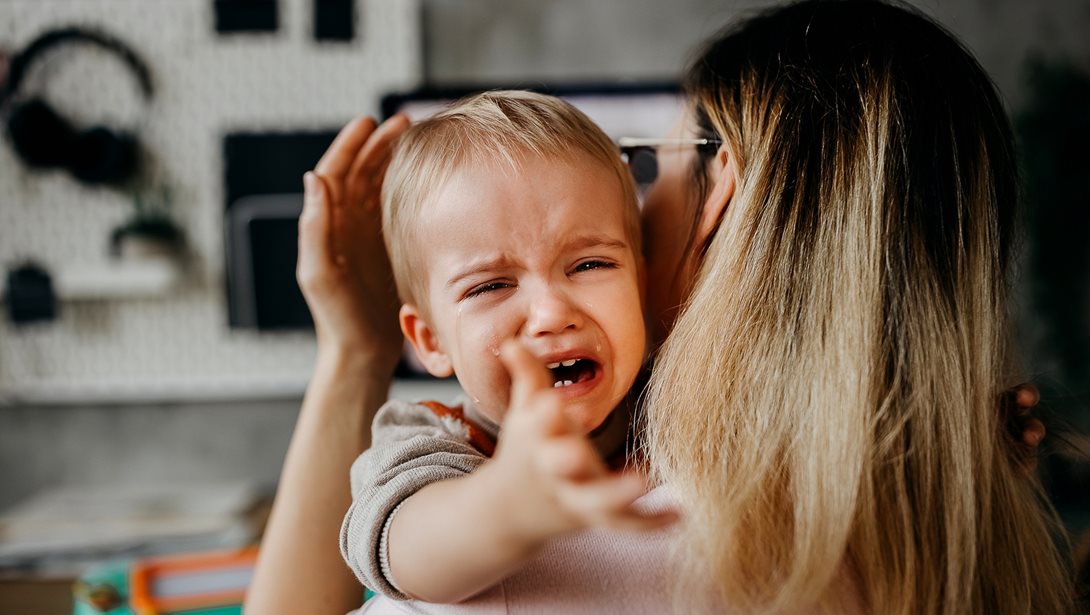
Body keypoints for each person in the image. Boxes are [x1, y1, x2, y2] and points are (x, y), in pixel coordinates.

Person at [244, 1, 1063, 614]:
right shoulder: (934, 523)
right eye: (493, 282)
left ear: (720, 188)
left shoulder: (573, 555)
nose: (551, 309)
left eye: (647, 164)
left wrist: (354, 362)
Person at [339, 90, 673, 605]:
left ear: (641, 285)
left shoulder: (679, 400)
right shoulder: (428, 439)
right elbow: (407, 554)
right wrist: (506, 502)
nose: (551, 314)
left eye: (590, 265)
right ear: (430, 341)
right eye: (490, 286)